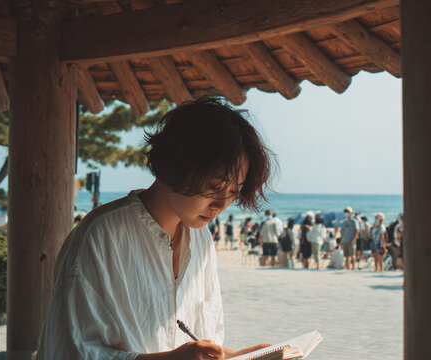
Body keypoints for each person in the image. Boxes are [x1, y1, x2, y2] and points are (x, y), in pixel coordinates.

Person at [36, 96, 274, 360]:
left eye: (234, 191)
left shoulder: (201, 237)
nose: (221, 204)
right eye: (215, 187)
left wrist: (240, 355)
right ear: (177, 164)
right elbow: (70, 350)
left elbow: (200, 344)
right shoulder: (103, 236)